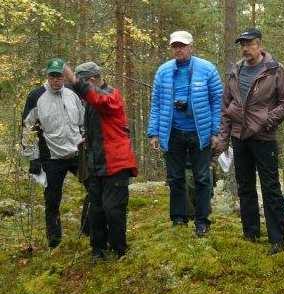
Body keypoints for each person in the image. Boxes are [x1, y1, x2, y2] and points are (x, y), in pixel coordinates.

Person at [214, 28, 284, 254]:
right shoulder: (235, 71)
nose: (245, 48)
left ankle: (278, 239)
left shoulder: (275, 70)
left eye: (249, 44)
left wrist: (268, 121)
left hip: (264, 137)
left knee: (270, 187)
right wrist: (224, 137)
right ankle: (250, 233)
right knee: (245, 186)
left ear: (259, 44)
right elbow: (226, 107)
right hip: (240, 138)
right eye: (242, 44)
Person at [147, 30, 223, 236]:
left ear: (191, 47)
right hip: (172, 132)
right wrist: (153, 132)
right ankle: (178, 219)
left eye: (182, 45)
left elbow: (217, 102)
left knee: (202, 177)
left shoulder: (207, 69)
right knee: (175, 177)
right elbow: (156, 103)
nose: (178, 49)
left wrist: (216, 132)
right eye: (175, 46)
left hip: (201, 133)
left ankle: (202, 220)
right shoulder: (163, 71)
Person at [63, 61, 138, 260]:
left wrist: (73, 79)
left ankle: (119, 249)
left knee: (113, 209)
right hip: (96, 163)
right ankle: (98, 249)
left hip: (116, 163)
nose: (79, 92)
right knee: (95, 209)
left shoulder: (111, 95)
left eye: (82, 85)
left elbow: (99, 100)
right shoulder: (90, 101)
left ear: (93, 80)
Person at [21, 58, 85, 249]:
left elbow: (83, 120)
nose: (56, 80)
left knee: (95, 190)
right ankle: (55, 241)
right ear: (47, 76)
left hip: (76, 153)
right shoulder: (36, 96)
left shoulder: (72, 94)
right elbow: (26, 129)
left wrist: (87, 142)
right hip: (52, 158)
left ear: (64, 76)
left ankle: (88, 229)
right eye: (53, 76)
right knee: (52, 201)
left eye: (59, 76)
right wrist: (33, 158)